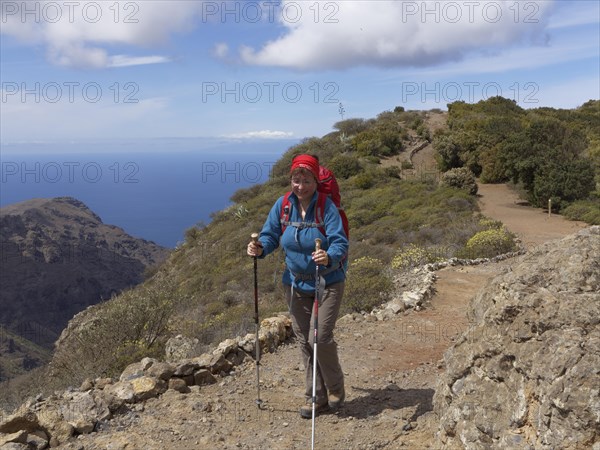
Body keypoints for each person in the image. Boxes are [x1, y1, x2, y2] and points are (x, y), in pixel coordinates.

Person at [247, 154, 349, 419]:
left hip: (328, 282)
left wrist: (329, 255)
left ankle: (336, 388)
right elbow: (270, 236)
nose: (300, 186)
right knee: (305, 340)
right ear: (290, 179)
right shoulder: (282, 206)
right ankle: (315, 396)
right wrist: (259, 249)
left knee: (320, 336)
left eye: (306, 180)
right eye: (296, 179)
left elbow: (340, 241)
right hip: (295, 284)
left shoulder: (327, 208)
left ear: (315, 180)